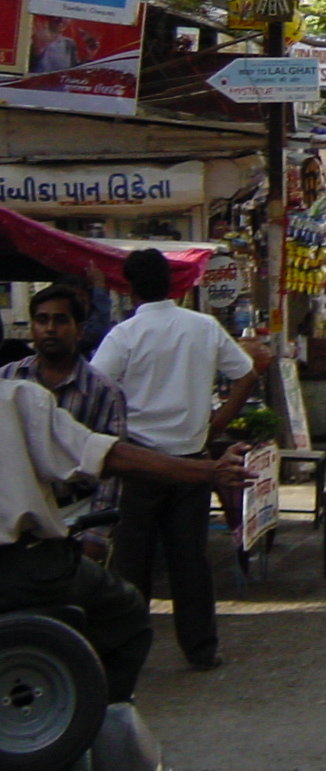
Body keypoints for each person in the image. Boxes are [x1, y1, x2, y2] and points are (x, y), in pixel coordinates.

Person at [0, 375, 247, 702]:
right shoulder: (17, 398)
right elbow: (107, 456)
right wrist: (207, 471)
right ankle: (97, 714)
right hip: (24, 566)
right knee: (127, 613)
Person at [92, 248, 259, 671]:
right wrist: (216, 425)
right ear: (172, 283)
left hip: (139, 464)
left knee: (132, 563)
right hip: (193, 463)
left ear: (130, 289)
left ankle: (125, 653)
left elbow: (95, 390)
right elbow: (246, 373)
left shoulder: (124, 336)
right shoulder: (202, 327)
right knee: (190, 562)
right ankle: (201, 648)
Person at [0, 285, 127, 558]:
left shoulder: (103, 391)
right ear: (32, 328)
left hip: (75, 513)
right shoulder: (8, 380)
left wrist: (96, 535)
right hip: (19, 514)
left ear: (79, 330)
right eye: (42, 320)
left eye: (60, 320)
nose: (50, 329)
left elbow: (110, 471)